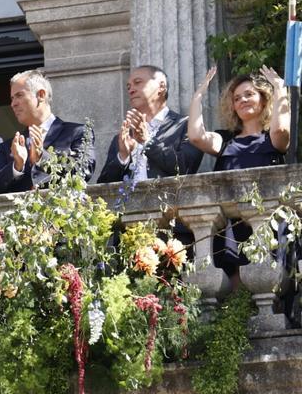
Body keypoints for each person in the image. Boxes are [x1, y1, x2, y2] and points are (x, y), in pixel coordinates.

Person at [188, 65, 290, 288]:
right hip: (234, 224)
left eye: (249, 94)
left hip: (269, 220)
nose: (242, 100)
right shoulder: (226, 140)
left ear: (263, 100)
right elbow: (196, 136)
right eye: (237, 98)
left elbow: (282, 131)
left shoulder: (271, 139)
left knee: (275, 279)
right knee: (237, 282)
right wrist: (197, 97)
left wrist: (280, 89)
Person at [0, 69, 95, 194]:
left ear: (41, 95)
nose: (13, 104)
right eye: (12, 98)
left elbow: (84, 171)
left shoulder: (77, 133)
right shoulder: (8, 147)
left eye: (19, 95)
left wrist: (42, 158)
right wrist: (17, 167)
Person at [97, 65, 203, 183]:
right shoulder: (124, 136)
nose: (131, 90)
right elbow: (103, 187)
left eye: (137, 82)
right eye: (128, 87)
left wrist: (147, 141)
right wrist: (122, 156)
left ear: (161, 87)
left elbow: (185, 169)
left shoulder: (186, 125)